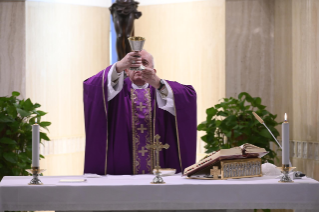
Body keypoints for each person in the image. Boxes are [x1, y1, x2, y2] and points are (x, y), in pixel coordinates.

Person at [83, 50, 197, 175]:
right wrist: (119, 66)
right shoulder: (114, 91)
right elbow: (92, 86)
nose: (139, 67)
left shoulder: (163, 90)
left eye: (144, 63)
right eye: (133, 64)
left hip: (160, 166)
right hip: (122, 167)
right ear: (126, 70)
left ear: (153, 71)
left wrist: (158, 83)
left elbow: (187, 97)